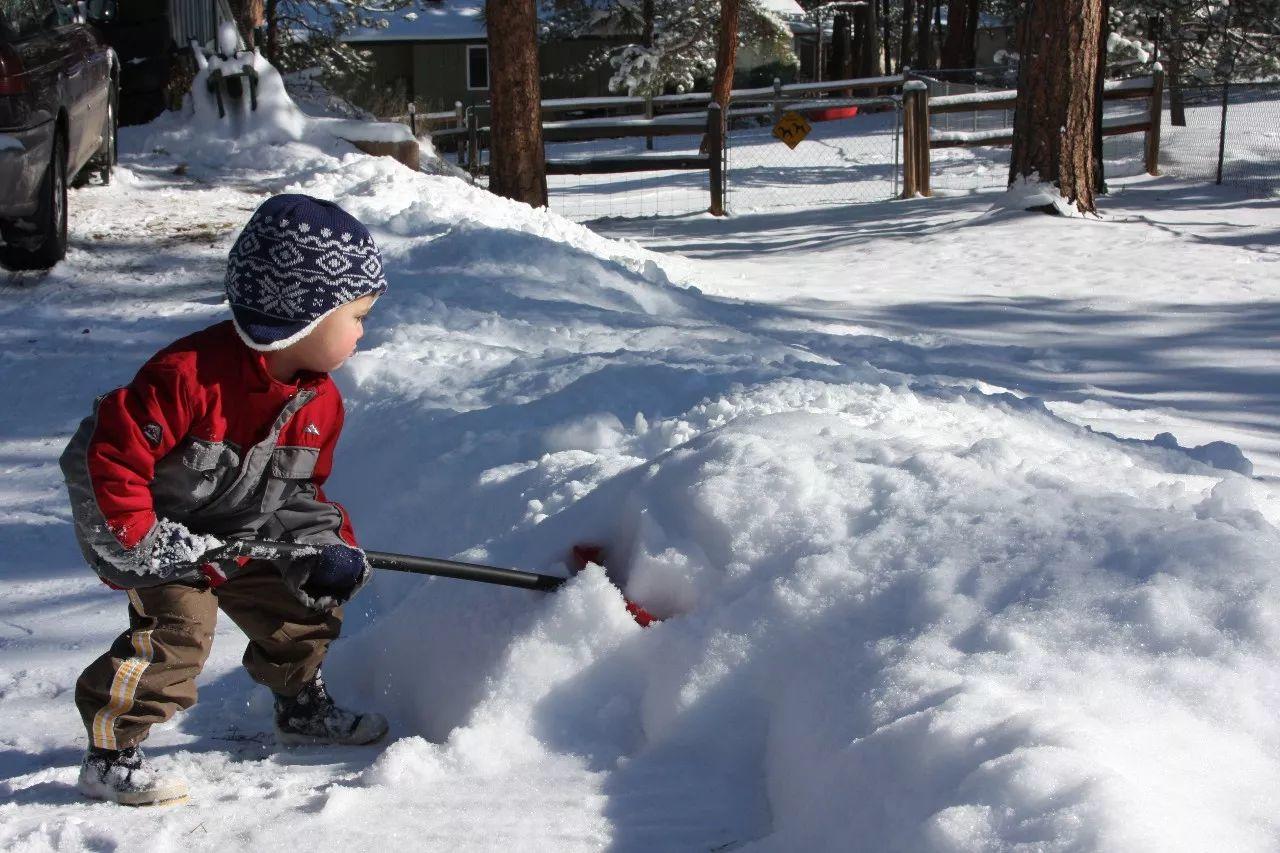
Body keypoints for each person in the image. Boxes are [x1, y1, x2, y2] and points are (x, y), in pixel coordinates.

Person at [60, 194, 390, 807]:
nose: (364, 331)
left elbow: (298, 494)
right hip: (163, 538)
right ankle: (110, 752)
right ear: (305, 314)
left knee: (302, 605)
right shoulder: (187, 377)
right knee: (178, 632)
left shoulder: (320, 405)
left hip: (241, 535)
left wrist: (326, 545)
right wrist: (145, 544)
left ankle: (300, 706)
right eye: (358, 315)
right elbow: (109, 458)